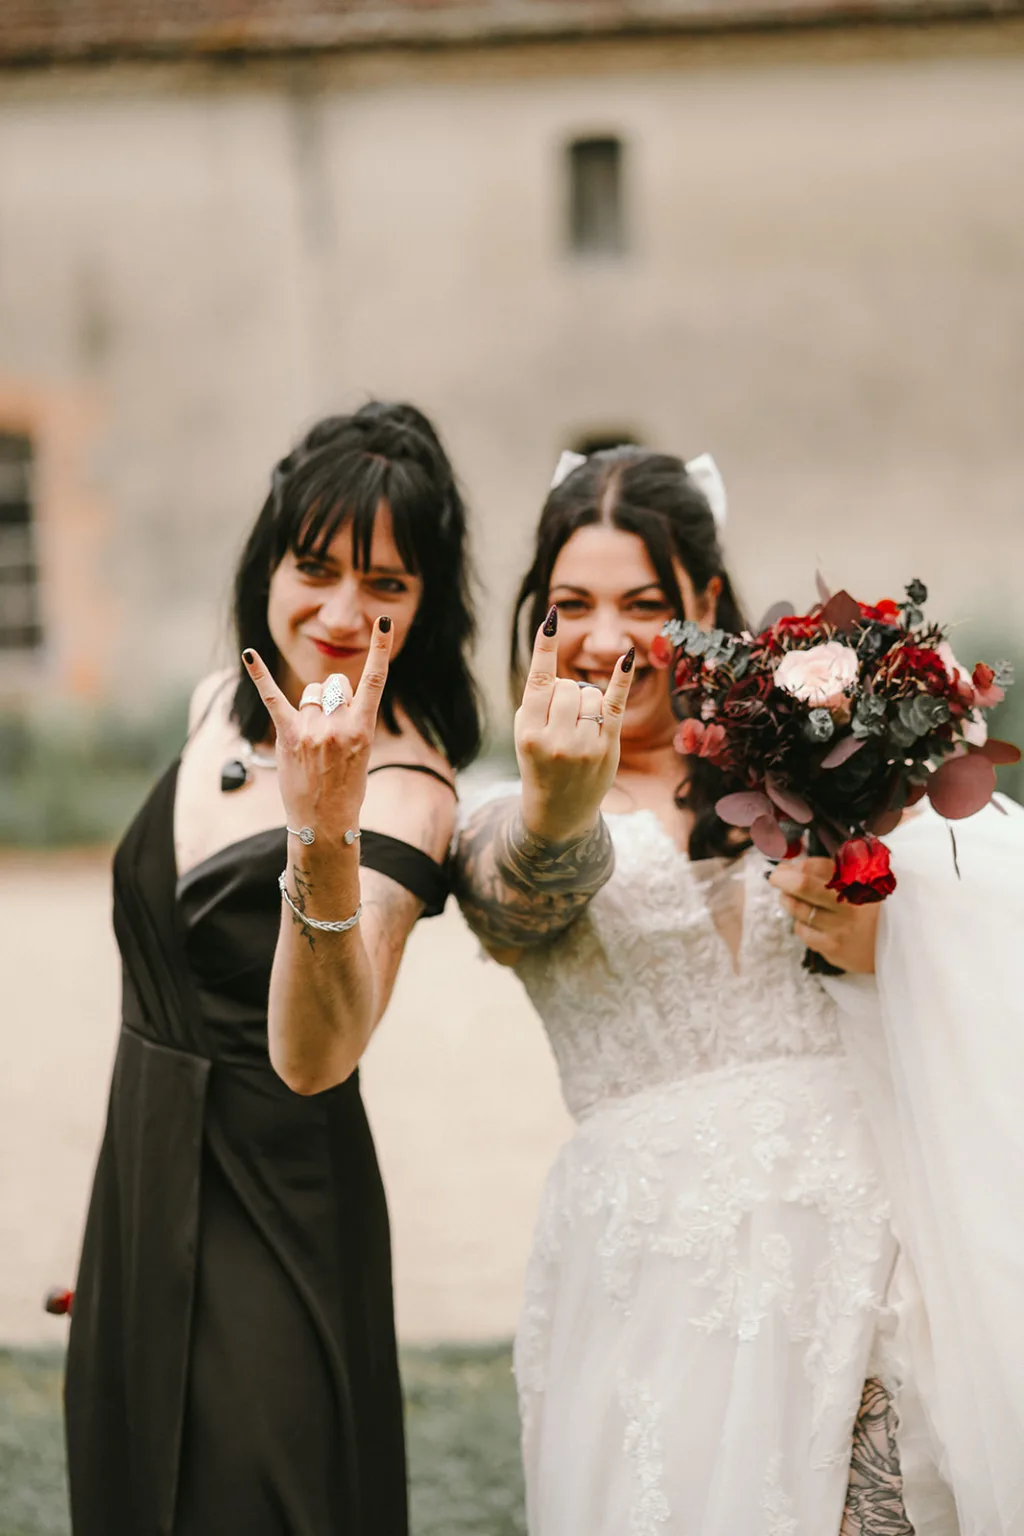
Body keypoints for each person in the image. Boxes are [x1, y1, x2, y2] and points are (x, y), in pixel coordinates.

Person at [454, 444, 1024, 1536]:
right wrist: (558, 805)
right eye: (572, 603)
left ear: (703, 602)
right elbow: (509, 907)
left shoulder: (815, 764)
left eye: (644, 602)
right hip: (648, 1272)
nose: (606, 635)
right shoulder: (503, 813)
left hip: (862, 1242)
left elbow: (942, 942)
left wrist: (870, 941)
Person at [65, 401, 482, 1536]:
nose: (341, 613)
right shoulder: (214, 711)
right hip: (142, 1198)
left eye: (385, 585)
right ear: (266, 566)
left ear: (425, 605)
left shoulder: (408, 790)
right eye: (314, 567)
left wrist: (323, 827)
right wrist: (123, 1218)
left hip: (280, 1216)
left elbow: (320, 1051)